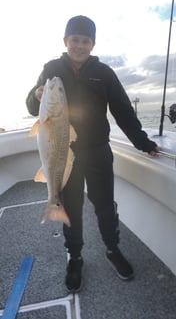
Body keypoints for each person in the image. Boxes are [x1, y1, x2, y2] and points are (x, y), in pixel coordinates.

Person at [26, 15, 159, 293]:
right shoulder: (52, 68)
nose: (80, 46)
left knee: (105, 205)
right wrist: (36, 94)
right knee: (70, 206)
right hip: (64, 152)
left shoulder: (105, 73)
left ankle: (113, 250)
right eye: (75, 40)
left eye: (85, 41)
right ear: (66, 41)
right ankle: (75, 258)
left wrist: (142, 141)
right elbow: (31, 105)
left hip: (98, 151)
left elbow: (122, 109)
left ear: (93, 44)